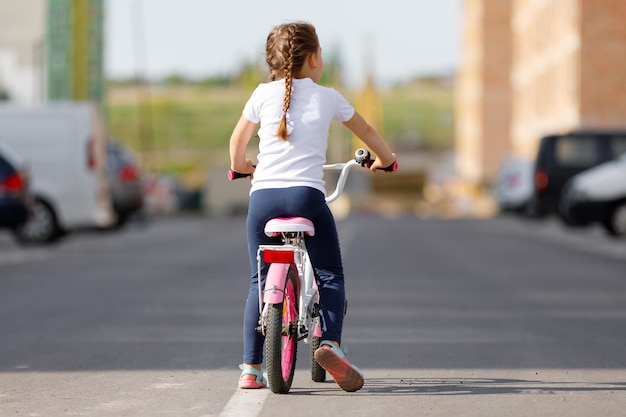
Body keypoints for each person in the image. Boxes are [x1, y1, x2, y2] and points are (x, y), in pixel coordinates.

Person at [229, 21, 397, 392]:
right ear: (315, 57)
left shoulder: (260, 94)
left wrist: (241, 168)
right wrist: (386, 159)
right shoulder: (329, 97)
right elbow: (367, 132)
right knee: (330, 275)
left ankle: (250, 369)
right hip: (306, 196)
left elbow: (237, 140)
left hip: (263, 199)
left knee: (258, 282)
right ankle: (330, 343)